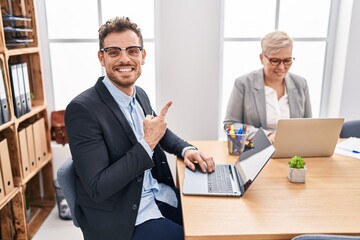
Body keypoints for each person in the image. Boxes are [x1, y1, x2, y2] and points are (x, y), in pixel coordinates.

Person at [65, 16, 215, 240]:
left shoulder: (139, 94)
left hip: (156, 195)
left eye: (132, 51)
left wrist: (186, 150)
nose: (124, 59)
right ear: (101, 57)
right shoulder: (82, 110)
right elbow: (98, 187)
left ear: (143, 56)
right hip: (123, 218)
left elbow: (159, 131)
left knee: (212, 222)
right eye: (114, 52)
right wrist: (147, 144)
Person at [223, 30, 312, 142]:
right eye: (275, 61)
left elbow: (309, 125)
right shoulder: (243, 84)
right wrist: (267, 136)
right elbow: (230, 125)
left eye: (287, 60)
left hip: (293, 152)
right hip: (257, 151)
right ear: (262, 58)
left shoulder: (301, 84)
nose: (281, 67)